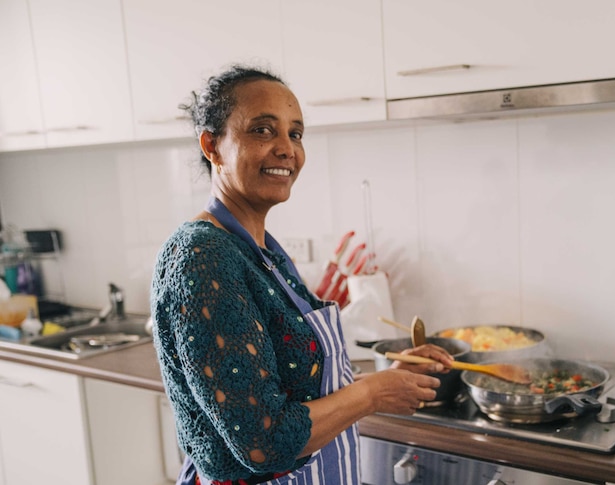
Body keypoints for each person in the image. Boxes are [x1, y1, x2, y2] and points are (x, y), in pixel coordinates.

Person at [150, 65, 454, 485]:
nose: (286, 149)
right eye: (262, 130)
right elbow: (264, 440)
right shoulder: (202, 256)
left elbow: (294, 385)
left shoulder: (264, 251)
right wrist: (372, 394)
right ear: (213, 146)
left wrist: (391, 377)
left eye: (295, 134)